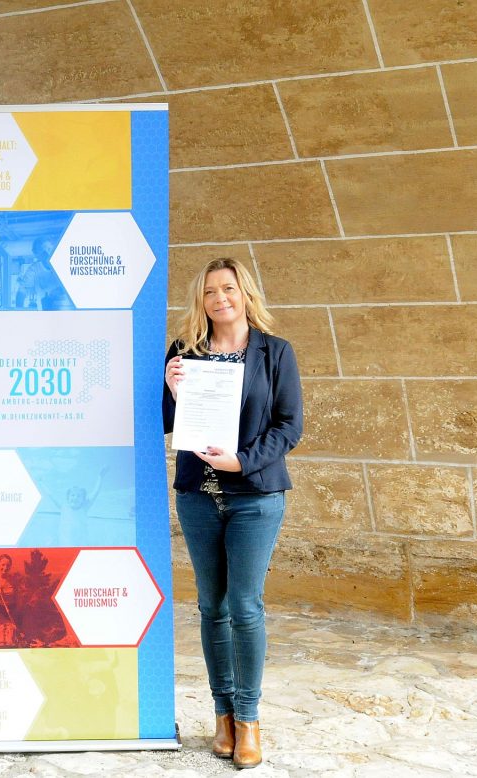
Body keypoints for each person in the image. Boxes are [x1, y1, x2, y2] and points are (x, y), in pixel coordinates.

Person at [162, 257, 302, 769]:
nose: (220, 298)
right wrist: (174, 390)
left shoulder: (275, 352)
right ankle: (220, 716)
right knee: (210, 607)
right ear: (201, 301)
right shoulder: (185, 352)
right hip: (199, 494)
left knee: (245, 607)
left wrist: (243, 460)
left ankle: (248, 720)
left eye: (229, 288)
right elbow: (165, 421)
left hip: (256, 497)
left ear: (245, 293)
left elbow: (290, 426)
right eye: (210, 291)